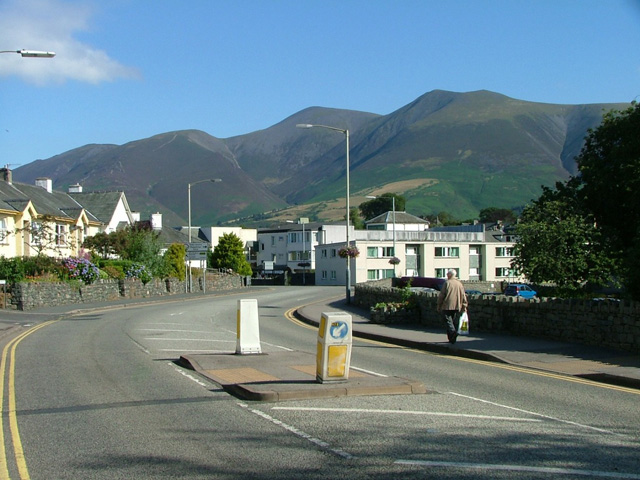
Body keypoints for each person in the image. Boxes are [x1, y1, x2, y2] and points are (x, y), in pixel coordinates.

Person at [436, 269, 468, 344]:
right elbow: (463, 296)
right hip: (457, 306)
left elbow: (442, 295)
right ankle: (452, 339)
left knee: (448, 321)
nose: (447, 275)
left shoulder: (447, 283)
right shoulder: (459, 284)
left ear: (450, 275)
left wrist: (439, 305)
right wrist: (464, 306)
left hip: (447, 305)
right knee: (452, 321)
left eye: (447, 274)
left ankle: (453, 333)